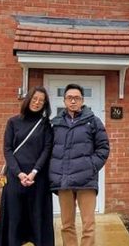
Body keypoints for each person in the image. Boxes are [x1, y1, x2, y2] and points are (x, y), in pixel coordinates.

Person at [49, 84, 110, 246]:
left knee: (88, 225)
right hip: (64, 181)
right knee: (67, 225)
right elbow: (49, 150)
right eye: (69, 98)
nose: (73, 101)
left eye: (77, 98)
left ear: (82, 100)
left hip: (86, 182)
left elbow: (103, 148)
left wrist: (90, 166)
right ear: (64, 101)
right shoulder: (56, 124)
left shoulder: (93, 122)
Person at [0, 86, 55, 246]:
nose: (37, 103)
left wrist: (34, 172)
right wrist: (19, 173)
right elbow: (7, 149)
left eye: (41, 101)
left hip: (38, 180)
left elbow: (47, 149)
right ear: (28, 99)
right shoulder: (13, 122)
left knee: (37, 218)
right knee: (14, 219)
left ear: (45, 105)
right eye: (35, 99)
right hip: (15, 179)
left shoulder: (45, 125)